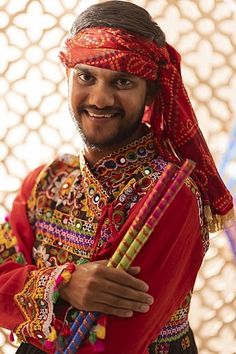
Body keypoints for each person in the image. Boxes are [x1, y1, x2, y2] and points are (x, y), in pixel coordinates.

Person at [0, 1, 234, 353]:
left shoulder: (171, 194)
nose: (100, 98)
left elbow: (112, 339)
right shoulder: (45, 182)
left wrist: (27, 297)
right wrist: (62, 284)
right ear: (67, 77)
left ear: (151, 92)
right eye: (86, 76)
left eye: (122, 81)